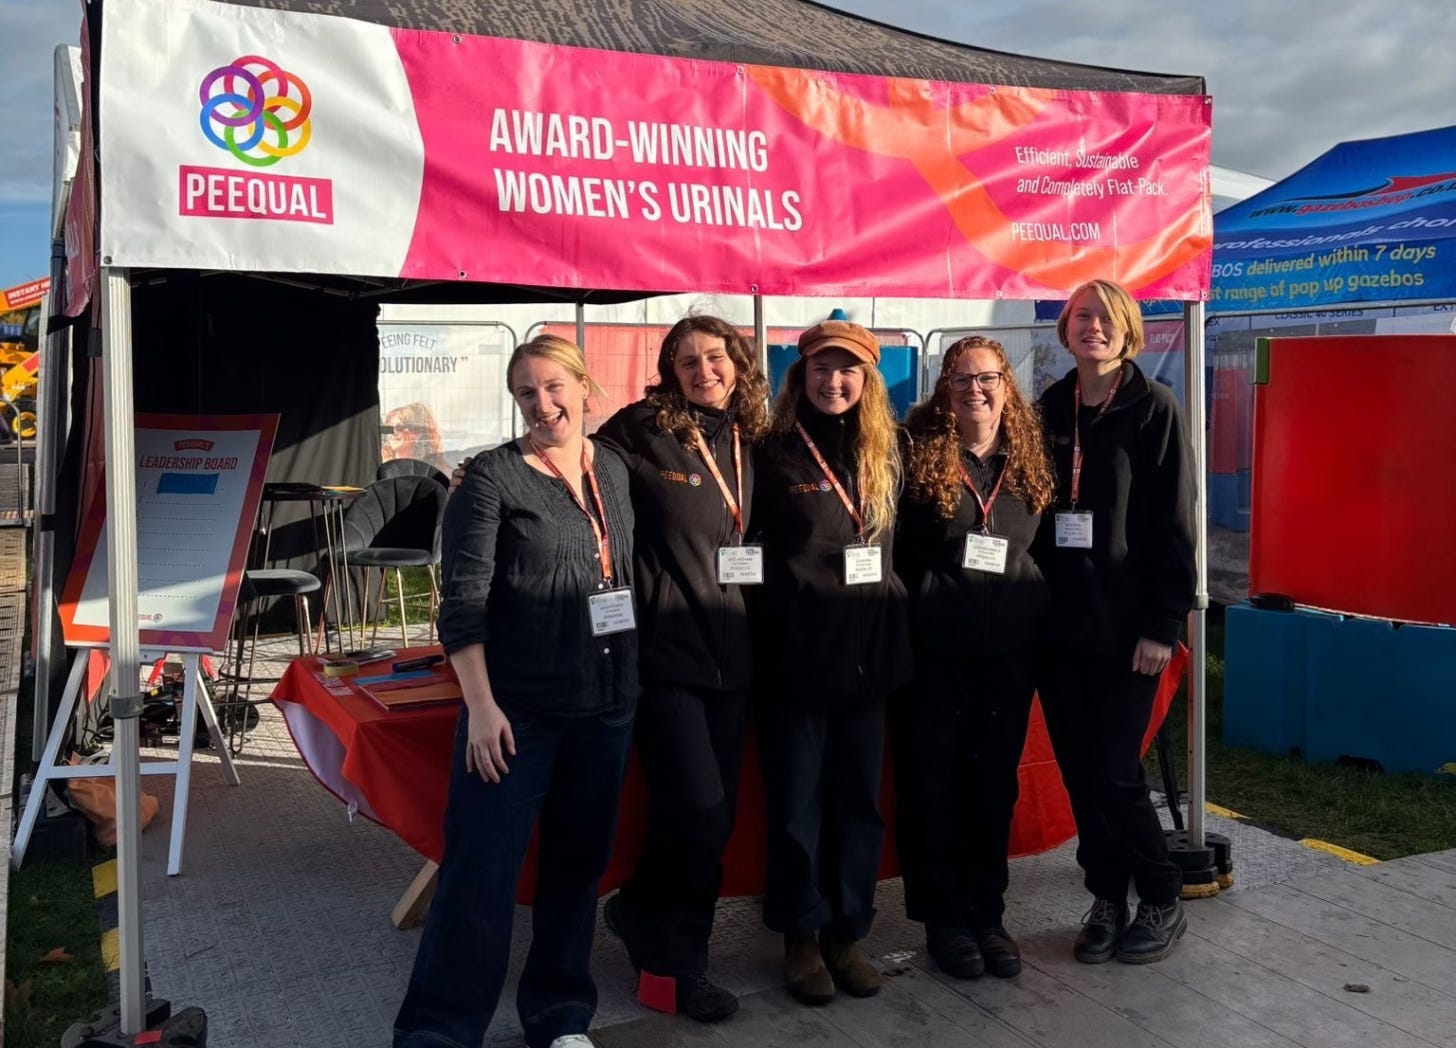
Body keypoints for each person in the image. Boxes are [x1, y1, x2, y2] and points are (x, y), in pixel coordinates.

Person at [393, 334, 638, 1048]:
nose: (542, 403)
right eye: (526, 392)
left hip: (606, 706)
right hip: (517, 713)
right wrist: (480, 707)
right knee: (481, 871)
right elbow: (462, 603)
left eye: (555, 386)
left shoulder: (613, 468)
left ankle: (560, 1016)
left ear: (585, 387)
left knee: (576, 870)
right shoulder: (491, 479)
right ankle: (439, 1030)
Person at [592, 316, 770, 1023]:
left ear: (738, 363)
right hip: (666, 653)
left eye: (716, 357)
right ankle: (674, 964)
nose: (704, 371)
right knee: (696, 810)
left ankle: (640, 907)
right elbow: (578, 475)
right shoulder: (640, 430)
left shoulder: (752, 434)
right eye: (688, 361)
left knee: (711, 817)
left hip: (736, 656)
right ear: (669, 370)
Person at [749, 319, 912, 1006]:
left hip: (871, 658)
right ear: (801, 374)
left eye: (848, 369)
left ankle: (848, 932)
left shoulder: (891, 448)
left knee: (858, 804)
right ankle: (801, 935)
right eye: (821, 367)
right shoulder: (772, 451)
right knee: (797, 806)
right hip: (797, 660)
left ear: (868, 380)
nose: (833, 380)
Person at [1036, 279, 1196, 965]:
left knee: (1116, 771)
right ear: (1065, 329)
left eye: (1105, 317)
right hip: (1060, 630)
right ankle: (1107, 896)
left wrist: (1163, 624)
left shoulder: (1153, 407)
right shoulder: (1050, 407)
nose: (1092, 327)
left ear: (1128, 329)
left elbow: (1177, 524)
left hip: (1130, 631)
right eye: (1081, 316)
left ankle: (1160, 895)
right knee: (1079, 773)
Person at [892, 336, 1055, 980]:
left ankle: (986, 913)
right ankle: (943, 919)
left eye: (986, 378)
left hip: (1008, 654)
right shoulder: (916, 456)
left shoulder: (1030, 459)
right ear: (944, 391)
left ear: (1006, 386)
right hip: (935, 654)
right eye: (960, 380)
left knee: (992, 786)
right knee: (932, 785)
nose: (974, 390)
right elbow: (897, 553)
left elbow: (1046, 549)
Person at [382, 401, 451, 474]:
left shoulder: (433, 469)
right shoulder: (380, 462)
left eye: (399, 427)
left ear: (416, 434)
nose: (393, 433)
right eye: (389, 428)